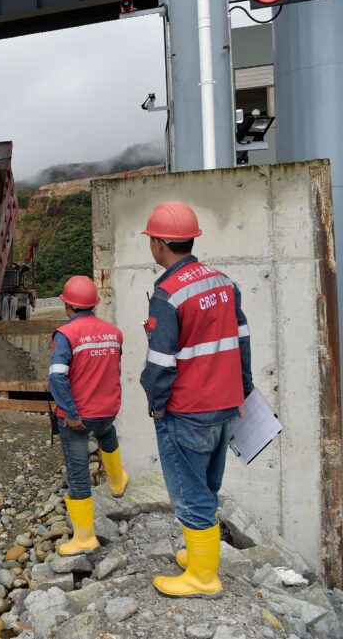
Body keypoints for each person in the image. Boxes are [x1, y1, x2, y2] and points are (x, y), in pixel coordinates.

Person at [140, 201, 253, 598]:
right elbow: (242, 343)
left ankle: (203, 578)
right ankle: (198, 555)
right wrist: (244, 390)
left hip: (187, 411)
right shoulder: (224, 282)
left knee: (190, 496)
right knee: (207, 485)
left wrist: (155, 402)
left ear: (158, 244)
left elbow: (160, 363)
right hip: (226, 407)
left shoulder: (168, 293)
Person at [49, 275, 129, 556]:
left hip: (78, 417)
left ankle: (84, 538)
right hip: (107, 410)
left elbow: (57, 378)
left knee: (79, 472)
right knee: (108, 436)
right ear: (93, 305)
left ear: (68, 305)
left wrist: (70, 411)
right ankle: (118, 482)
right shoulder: (113, 332)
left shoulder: (66, 335)